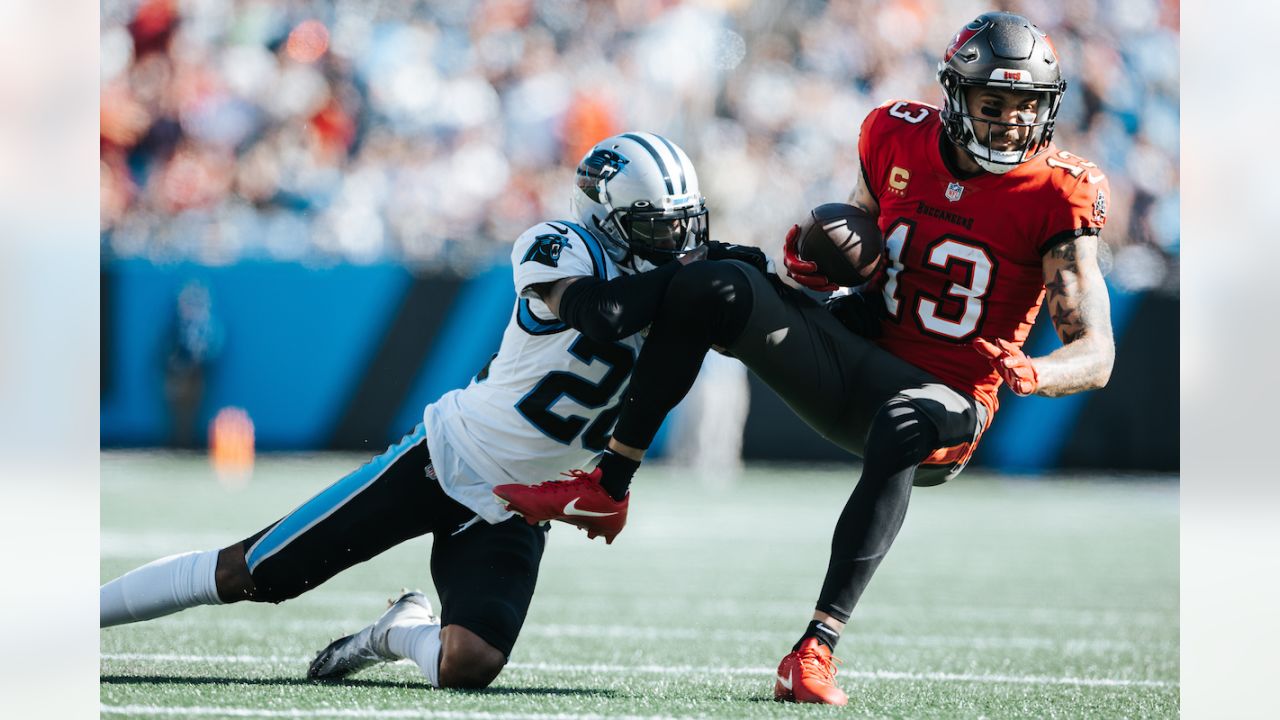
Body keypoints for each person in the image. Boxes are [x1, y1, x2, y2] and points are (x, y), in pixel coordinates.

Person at [494, 11, 1115, 706]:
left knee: (907, 419)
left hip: (948, 399)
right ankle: (609, 486)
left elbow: (1097, 352)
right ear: (954, 96)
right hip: (853, 353)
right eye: (992, 104)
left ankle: (815, 648)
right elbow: (857, 247)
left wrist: (1040, 372)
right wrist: (812, 271)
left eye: (1024, 107)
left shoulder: (1062, 192)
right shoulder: (893, 134)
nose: (1008, 123)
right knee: (712, 284)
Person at [100, 131, 769, 689]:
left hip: (518, 502)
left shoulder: (676, 281)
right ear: (606, 216)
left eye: (687, 225)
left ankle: (395, 633)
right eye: (658, 226)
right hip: (444, 460)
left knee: (471, 663)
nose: (679, 241)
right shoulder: (560, 246)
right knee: (251, 574)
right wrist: (703, 275)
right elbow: (602, 316)